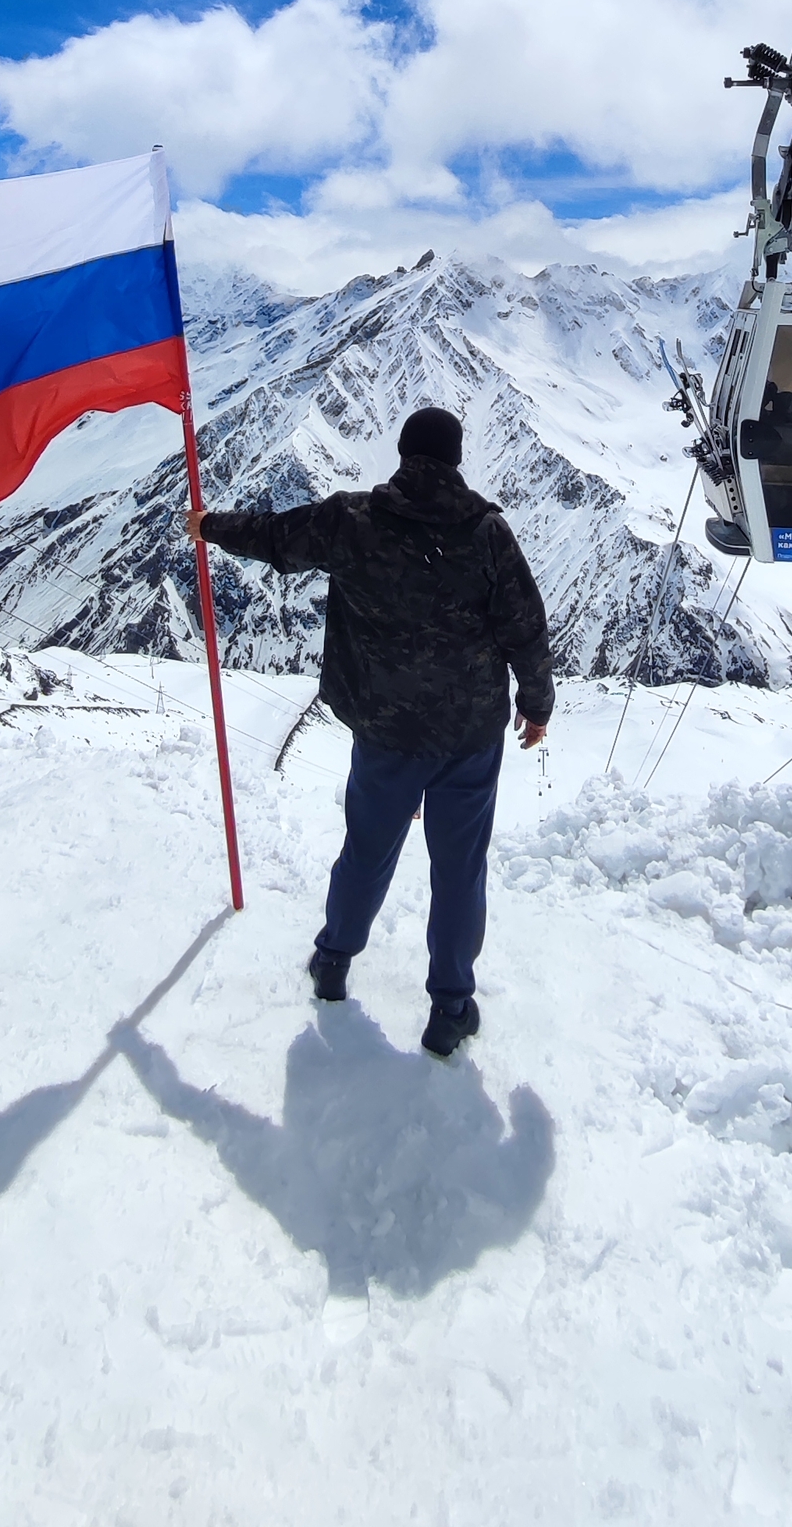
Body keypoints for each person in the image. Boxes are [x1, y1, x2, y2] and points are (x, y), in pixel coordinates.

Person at [184, 405, 553, 1059]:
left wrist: (210, 526)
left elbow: (275, 539)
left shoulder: (353, 520)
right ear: (455, 460)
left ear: (405, 455)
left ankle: (332, 961)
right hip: (468, 736)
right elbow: (524, 626)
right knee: (459, 870)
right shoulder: (486, 533)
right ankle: (449, 1008)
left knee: (368, 850)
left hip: (385, 732)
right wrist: (536, 704)